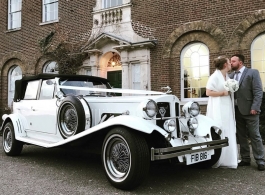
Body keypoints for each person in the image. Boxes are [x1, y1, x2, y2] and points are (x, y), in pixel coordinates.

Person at [230, 54, 264, 171]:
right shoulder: (230, 76)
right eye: (230, 61)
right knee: (241, 136)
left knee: (255, 135)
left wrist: (255, 107)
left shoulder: (252, 73)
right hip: (236, 111)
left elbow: (258, 91)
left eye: (233, 61)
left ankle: (260, 160)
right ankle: (245, 159)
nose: (231, 63)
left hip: (251, 110)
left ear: (240, 62)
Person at [206, 56, 238, 169]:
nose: (230, 64)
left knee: (228, 127)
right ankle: (220, 157)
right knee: (221, 128)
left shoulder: (227, 76)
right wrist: (223, 93)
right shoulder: (214, 76)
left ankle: (229, 158)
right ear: (225, 64)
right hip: (218, 106)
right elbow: (208, 92)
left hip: (227, 106)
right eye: (229, 62)